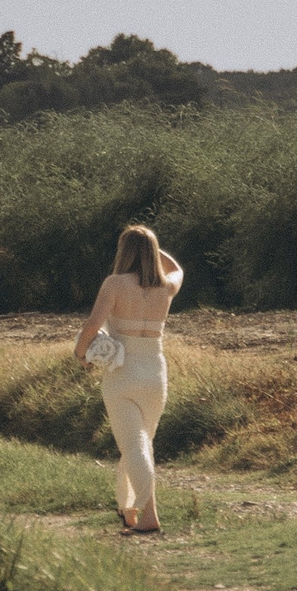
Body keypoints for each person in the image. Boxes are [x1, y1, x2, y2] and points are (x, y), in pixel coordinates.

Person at [74, 224, 183, 534]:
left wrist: (80, 354)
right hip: (155, 373)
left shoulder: (115, 284)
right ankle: (129, 509)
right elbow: (177, 268)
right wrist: (152, 247)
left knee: (133, 446)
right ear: (152, 253)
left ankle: (150, 516)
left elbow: (92, 325)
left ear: (124, 251)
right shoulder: (166, 287)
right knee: (142, 443)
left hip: (123, 374)